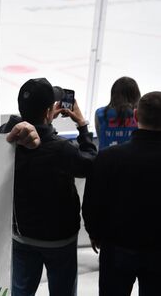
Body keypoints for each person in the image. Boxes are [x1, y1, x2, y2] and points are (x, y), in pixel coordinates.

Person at [0, 78, 97, 296]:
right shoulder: (61, 150)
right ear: (48, 111)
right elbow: (90, 163)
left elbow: (15, 127)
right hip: (59, 240)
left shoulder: (5, 136)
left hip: (21, 235)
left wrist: (44, 117)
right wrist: (82, 125)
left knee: (20, 291)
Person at [83, 91, 161, 296]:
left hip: (117, 248)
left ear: (135, 117)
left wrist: (94, 232)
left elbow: (93, 200)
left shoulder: (109, 157)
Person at [95, 76, 140, 149]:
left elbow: (101, 137)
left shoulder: (100, 113)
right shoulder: (140, 114)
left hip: (106, 157)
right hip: (133, 157)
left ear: (113, 93)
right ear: (136, 94)